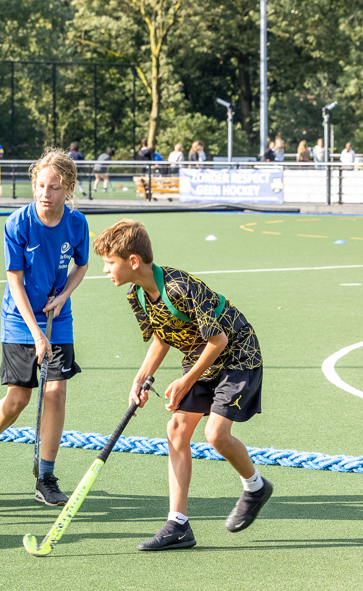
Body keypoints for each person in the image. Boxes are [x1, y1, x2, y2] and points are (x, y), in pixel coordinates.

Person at [93, 219, 270, 551]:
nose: (104, 269)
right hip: (199, 355)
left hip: (236, 355)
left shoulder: (180, 287)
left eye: (109, 262)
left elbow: (217, 339)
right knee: (176, 429)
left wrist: (186, 379)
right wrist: (142, 377)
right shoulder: (137, 295)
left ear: (133, 262)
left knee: (215, 434)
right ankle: (178, 524)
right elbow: (161, 336)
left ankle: (255, 486)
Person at [0, 148, 89, 506]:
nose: (44, 194)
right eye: (39, 186)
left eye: (53, 187)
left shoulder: (76, 223)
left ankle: (46, 477)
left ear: (67, 188)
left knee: (55, 393)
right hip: (20, 318)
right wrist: (37, 334)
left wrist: (64, 295)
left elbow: (80, 266)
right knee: (18, 398)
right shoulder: (18, 223)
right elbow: (15, 281)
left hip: (57, 316)